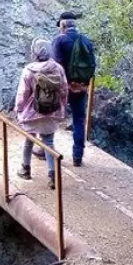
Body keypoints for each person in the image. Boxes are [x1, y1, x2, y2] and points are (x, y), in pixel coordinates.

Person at [14, 38, 68, 189]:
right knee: (49, 143)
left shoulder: (29, 70)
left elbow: (23, 93)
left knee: (29, 140)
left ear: (34, 51)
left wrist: (18, 109)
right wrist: (62, 106)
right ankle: (52, 176)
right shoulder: (58, 68)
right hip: (52, 112)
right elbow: (64, 90)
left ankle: (25, 169)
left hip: (32, 112)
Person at [51, 11, 95, 167]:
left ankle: (45, 149)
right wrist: (82, 84)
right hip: (81, 88)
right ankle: (77, 156)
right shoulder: (86, 41)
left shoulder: (59, 40)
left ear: (63, 25)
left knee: (51, 116)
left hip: (62, 87)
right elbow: (92, 66)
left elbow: (55, 66)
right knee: (79, 120)